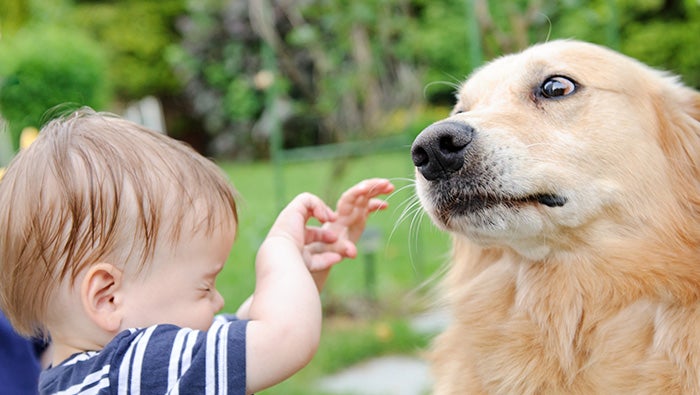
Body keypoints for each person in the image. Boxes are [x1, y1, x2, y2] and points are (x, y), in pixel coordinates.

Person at [0, 108, 394, 394]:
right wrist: (280, 251)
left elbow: (244, 328)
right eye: (204, 287)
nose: (218, 298)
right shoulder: (134, 371)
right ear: (107, 296)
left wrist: (301, 271)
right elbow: (284, 336)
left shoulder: (85, 378)